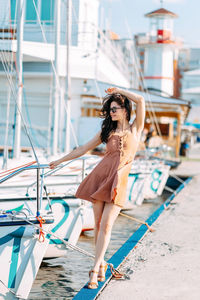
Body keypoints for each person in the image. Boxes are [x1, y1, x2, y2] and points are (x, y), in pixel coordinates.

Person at [49, 87, 145, 289]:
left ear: (125, 110)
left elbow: (141, 99)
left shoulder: (135, 129)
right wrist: (59, 161)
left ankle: (95, 268)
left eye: (115, 108)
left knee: (108, 225)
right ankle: (99, 265)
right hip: (101, 177)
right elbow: (84, 148)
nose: (111, 112)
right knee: (99, 224)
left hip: (120, 182)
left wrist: (119, 90)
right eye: (110, 109)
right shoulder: (107, 131)